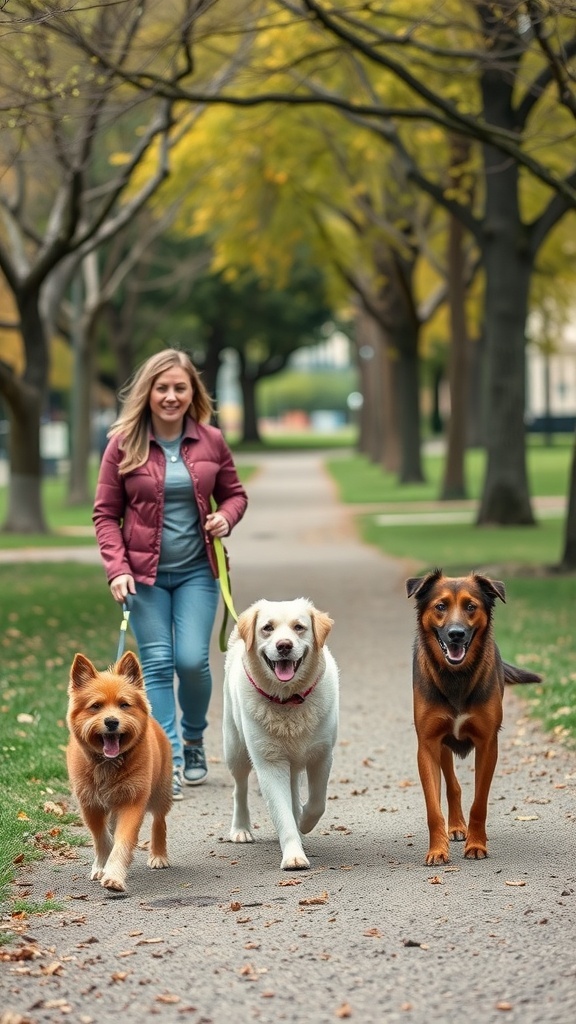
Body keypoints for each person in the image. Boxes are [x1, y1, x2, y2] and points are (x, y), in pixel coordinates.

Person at [93, 348, 248, 800]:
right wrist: (116, 569)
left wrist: (227, 518)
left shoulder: (211, 440)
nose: (171, 396)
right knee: (157, 663)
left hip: (199, 572)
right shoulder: (123, 442)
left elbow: (235, 494)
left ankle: (195, 737)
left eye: (180, 387)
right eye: (162, 387)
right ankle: (172, 759)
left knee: (192, 662)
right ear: (148, 392)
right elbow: (105, 514)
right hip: (142, 577)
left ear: (192, 392)